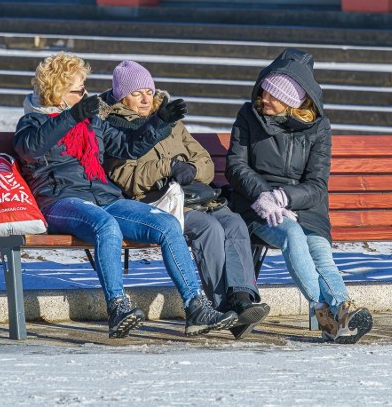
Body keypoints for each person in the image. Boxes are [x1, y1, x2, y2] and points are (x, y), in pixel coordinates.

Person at [13, 52, 237, 339]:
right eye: (78, 90)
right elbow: (32, 148)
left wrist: (160, 123)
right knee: (106, 227)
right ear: (57, 92)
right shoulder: (32, 123)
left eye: (85, 88)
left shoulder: (92, 122)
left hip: (103, 197)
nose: (86, 95)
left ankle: (196, 307)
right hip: (60, 201)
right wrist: (71, 117)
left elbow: (128, 147)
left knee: (168, 224)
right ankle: (118, 307)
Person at [99, 60, 270, 340]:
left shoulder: (169, 121)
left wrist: (191, 169)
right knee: (208, 227)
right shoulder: (114, 127)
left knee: (233, 222)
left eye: (149, 92)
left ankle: (242, 299)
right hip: (155, 203)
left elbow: (203, 159)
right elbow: (124, 176)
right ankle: (220, 307)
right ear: (121, 96)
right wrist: (167, 168)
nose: (145, 99)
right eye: (137, 93)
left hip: (194, 196)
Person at [225, 48, 373, 344]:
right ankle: (330, 311)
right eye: (264, 91)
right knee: (292, 234)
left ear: (293, 101)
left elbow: (317, 184)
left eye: (272, 95)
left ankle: (336, 316)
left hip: (305, 206)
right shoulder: (248, 115)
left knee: (320, 252)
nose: (263, 98)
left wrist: (285, 196)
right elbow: (235, 165)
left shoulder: (319, 127)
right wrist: (265, 196)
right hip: (257, 205)